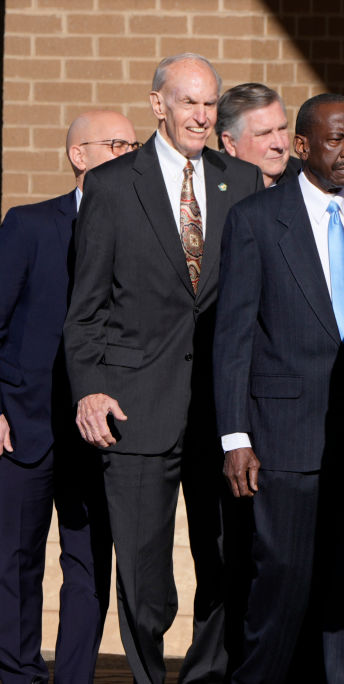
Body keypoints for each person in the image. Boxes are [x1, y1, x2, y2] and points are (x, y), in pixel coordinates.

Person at [63, 53, 263, 684]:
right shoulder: (113, 184)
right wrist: (91, 389)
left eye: (209, 104)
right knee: (146, 580)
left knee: (226, 564)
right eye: (188, 103)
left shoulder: (244, 182)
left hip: (221, 410)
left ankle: (205, 675)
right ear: (158, 105)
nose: (200, 116)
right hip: (136, 406)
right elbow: (85, 309)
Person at [213, 93, 344, 683]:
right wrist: (235, 435)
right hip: (284, 442)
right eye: (336, 140)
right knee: (281, 591)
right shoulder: (257, 220)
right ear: (304, 146)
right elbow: (233, 336)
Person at [0, 110, 135, 684]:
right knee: (14, 563)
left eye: (135, 144)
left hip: (99, 431)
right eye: (114, 144)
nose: (129, 154)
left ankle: (75, 678)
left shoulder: (142, 233)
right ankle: (16, 673)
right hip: (23, 425)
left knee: (87, 568)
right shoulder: (29, 225)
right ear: (79, 156)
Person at [216, 82, 301, 187]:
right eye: (264, 134)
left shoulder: (308, 179)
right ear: (230, 143)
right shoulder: (207, 188)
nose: (280, 144)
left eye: (282, 129)